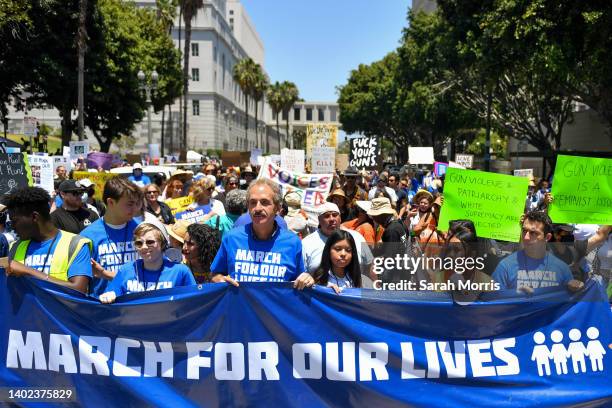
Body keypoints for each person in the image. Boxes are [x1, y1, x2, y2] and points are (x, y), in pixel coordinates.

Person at [210, 178, 312, 289]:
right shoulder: (231, 238)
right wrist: (219, 279)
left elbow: (300, 279)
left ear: (278, 208)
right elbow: (214, 275)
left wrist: (307, 278)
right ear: (248, 207)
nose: (257, 208)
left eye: (264, 202)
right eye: (253, 203)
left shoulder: (293, 242)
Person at [4, 187, 92, 294]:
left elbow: (79, 290)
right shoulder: (15, 247)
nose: (12, 227)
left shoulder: (75, 244)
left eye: (14, 221)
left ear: (34, 217)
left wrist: (29, 271)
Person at [99, 223, 195, 303]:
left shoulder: (180, 271)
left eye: (150, 242)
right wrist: (109, 296)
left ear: (163, 243)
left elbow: (194, 302)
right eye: (139, 243)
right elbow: (111, 294)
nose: (144, 247)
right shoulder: (126, 270)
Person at [492, 210, 582, 293]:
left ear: (547, 237)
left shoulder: (562, 268)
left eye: (533, 233)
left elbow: (571, 304)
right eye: (524, 231)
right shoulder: (505, 266)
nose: (526, 237)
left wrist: (578, 289)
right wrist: (515, 295)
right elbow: (490, 302)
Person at [82, 177, 142, 297]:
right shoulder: (87, 236)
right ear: (110, 202)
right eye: (129, 204)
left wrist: (105, 273)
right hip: (104, 308)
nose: (135, 209)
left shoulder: (142, 230)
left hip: (139, 306)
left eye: (136, 204)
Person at [302, 202, 373, 277]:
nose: (332, 219)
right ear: (319, 220)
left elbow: (369, 265)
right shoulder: (307, 243)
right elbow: (302, 274)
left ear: (340, 218)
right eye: (327, 216)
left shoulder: (357, 237)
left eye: (335, 215)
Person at [368, 197, 409, 283]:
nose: (373, 218)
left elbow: (390, 259)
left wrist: (384, 281)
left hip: (393, 277)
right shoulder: (400, 224)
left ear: (381, 215)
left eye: (374, 216)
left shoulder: (391, 231)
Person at [312, 229, 362, 294]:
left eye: (348, 250)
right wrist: (325, 290)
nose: (343, 254)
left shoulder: (356, 278)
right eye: (338, 249)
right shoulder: (317, 278)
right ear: (328, 251)